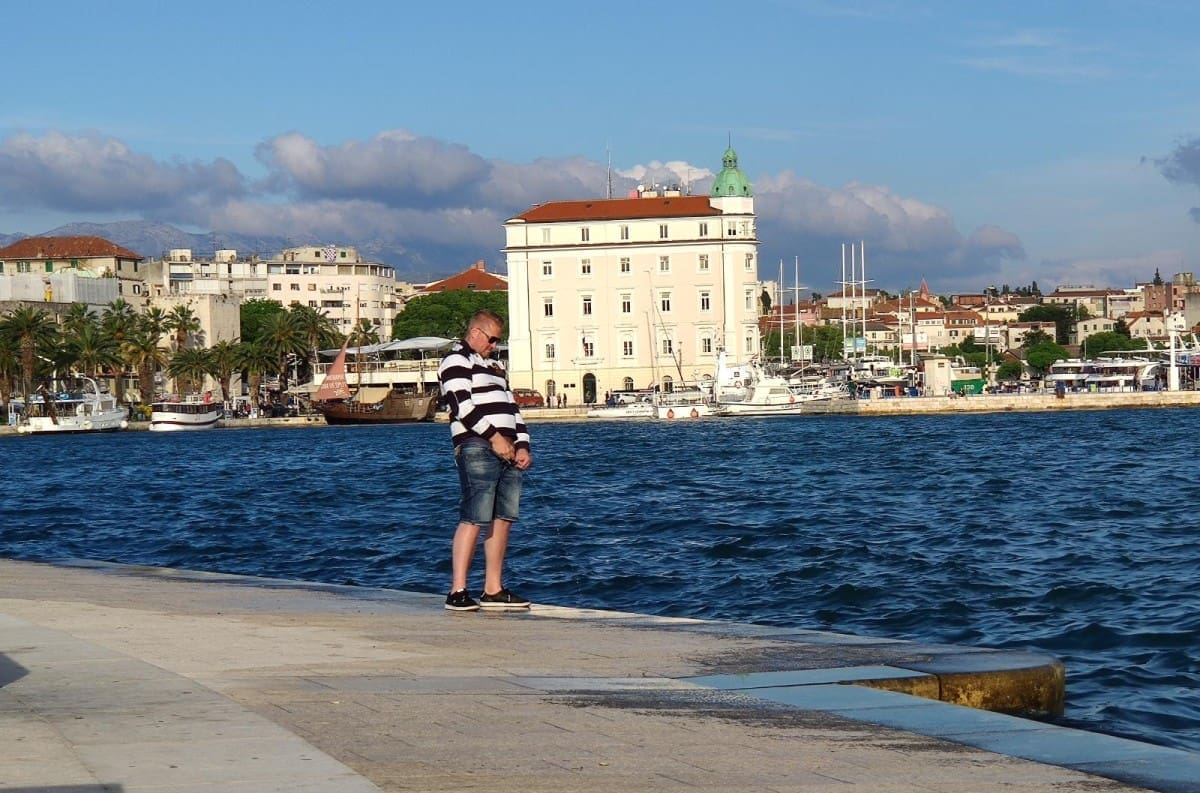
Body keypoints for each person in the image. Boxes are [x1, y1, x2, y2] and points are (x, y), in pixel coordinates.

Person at [438, 310, 533, 612]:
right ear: (476, 333)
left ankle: (493, 588)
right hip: (477, 445)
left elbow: (512, 409)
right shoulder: (456, 361)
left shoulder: (495, 367)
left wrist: (522, 445)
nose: (494, 345)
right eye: (492, 339)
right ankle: (458, 590)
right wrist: (494, 438)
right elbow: (462, 407)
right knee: (474, 515)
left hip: (507, 449)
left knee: (503, 518)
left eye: (498, 340)